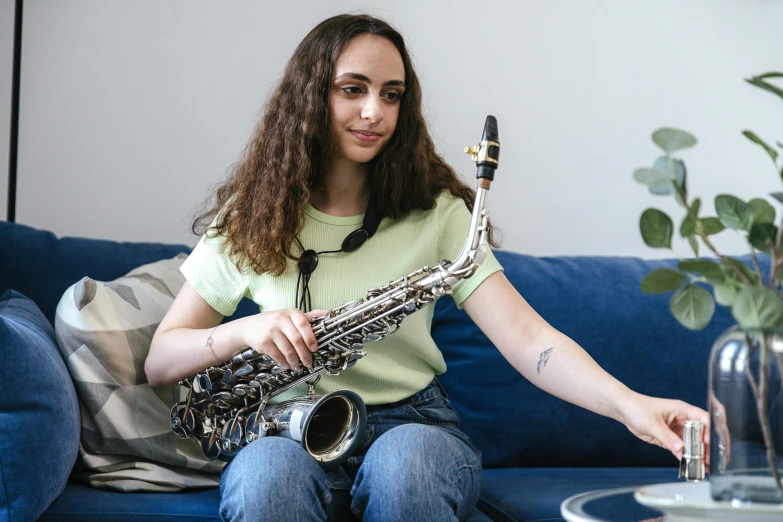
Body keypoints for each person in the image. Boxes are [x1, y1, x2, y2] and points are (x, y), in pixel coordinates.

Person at [145, 13, 710, 522]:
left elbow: (529, 339)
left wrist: (632, 406)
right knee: (266, 476)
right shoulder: (250, 216)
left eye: (391, 95)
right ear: (310, 97)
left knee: (407, 465)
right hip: (287, 426)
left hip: (412, 426)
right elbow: (162, 359)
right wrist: (246, 330)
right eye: (352, 90)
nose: (375, 112)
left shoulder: (439, 214)